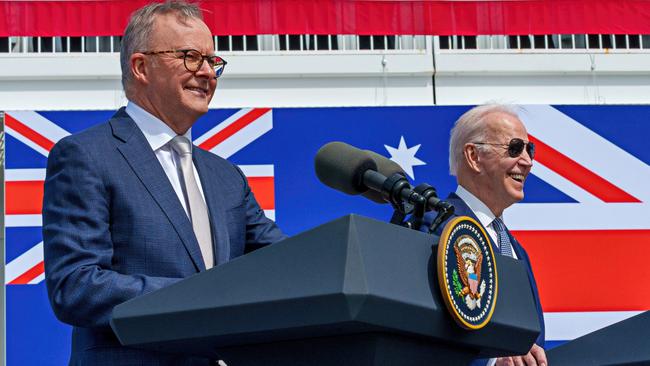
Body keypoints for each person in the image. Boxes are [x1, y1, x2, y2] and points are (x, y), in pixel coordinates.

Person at [42, 2, 286, 365]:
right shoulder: (85, 156)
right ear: (141, 66)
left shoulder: (226, 177)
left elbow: (286, 262)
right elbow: (77, 286)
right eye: (190, 57)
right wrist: (202, 296)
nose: (206, 72)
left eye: (211, 61)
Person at [422, 104, 547, 366]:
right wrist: (491, 362)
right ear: (473, 156)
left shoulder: (515, 249)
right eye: (514, 148)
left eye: (529, 149)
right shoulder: (435, 228)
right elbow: (423, 335)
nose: (527, 161)